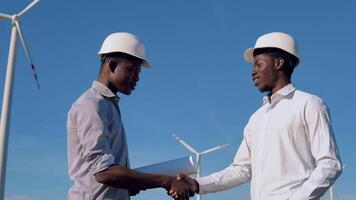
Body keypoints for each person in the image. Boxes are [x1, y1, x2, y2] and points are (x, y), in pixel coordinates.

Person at [176, 32, 343, 200]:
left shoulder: (309, 103)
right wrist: (197, 184)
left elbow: (330, 163)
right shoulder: (256, 118)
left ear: (278, 63)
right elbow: (242, 169)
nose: (253, 72)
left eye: (258, 64)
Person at [67, 32, 192, 200]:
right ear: (112, 66)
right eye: (132, 70)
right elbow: (103, 172)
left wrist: (131, 185)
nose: (138, 78)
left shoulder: (108, 106)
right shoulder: (91, 105)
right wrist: (166, 181)